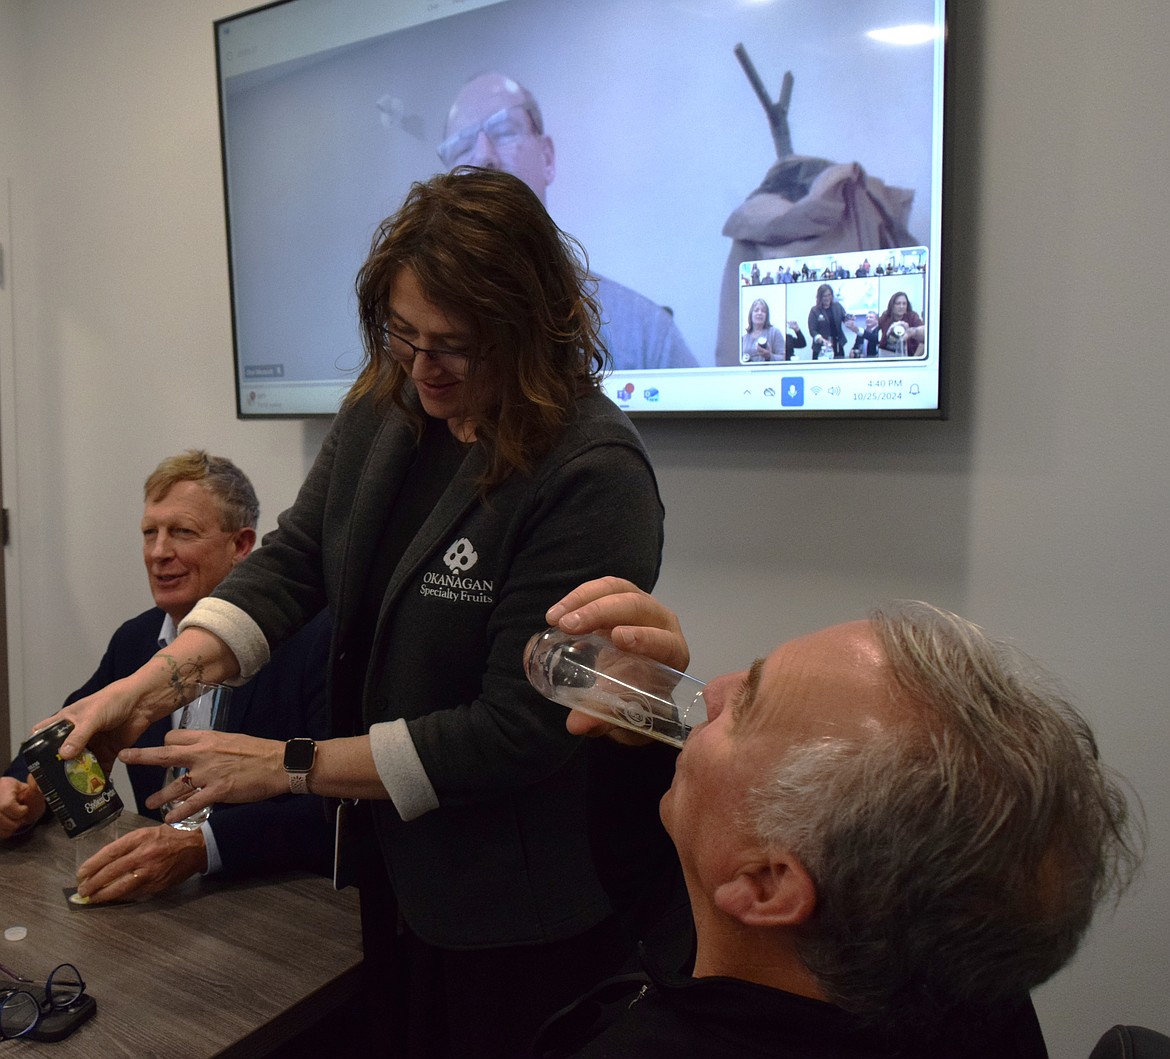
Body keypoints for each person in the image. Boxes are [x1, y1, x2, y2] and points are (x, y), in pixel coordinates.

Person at [44, 169, 668, 1059]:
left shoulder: (592, 474)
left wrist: (290, 765)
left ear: (530, 328)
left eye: (453, 345)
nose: (423, 369)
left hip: (513, 910)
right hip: (391, 877)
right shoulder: (389, 407)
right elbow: (297, 563)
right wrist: (145, 687)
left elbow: (516, 729)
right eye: (404, 336)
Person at [529, 578, 1143, 1059]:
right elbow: (670, 904)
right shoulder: (955, 971)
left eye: (747, 709)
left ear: (769, 885)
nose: (712, 689)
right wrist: (637, 737)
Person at [0, 451, 332, 901]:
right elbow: (68, 731)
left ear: (241, 545)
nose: (159, 553)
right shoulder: (135, 640)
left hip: (278, 899)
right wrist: (23, 793)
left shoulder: (312, 642)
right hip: (163, 902)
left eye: (182, 532)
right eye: (149, 533)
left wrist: (204, 847)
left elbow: (337, 805)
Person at [439, 71, 698, 372]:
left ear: (547, 158)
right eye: (461, 146)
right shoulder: (416, 341)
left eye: (504, 130)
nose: (484, 156)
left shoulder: (647, 337)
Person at [739, 299, 805, 363]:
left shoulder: (775, 332)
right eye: (756, 310)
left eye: (763, 311)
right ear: (751, 315)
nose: (759, 313)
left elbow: (783, 358)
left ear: (767, 315)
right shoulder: (744, 338)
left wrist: (769, 356)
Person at [808, 283, 858, 358]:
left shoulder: (837, 306)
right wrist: (821, 340)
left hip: (837, 344)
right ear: (820, 297)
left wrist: (850, 320)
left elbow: (844, 317)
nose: (827, 298)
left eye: (829, 295)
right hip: (821, 348)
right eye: (825, 296)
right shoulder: (814, 310)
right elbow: (813, 330)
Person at [878, 290, 926, 357]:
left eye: (904, 304)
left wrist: (914, 359)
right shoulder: (885, 317)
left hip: (909, 356)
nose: (901, 306)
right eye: (898, 303)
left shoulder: (913, 317)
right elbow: (875, 331)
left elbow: (924, 341)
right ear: (892, 305)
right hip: (887, 355)